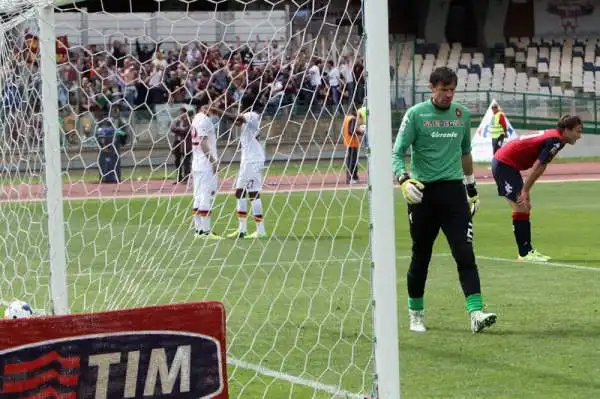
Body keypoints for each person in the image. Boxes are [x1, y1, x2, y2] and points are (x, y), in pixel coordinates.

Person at [392, 66, 497, 334]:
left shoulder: (461, 115)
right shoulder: (416, 115)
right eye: (444, 90)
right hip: (422, 194)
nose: (449, 95)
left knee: (464, 252)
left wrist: (471, 188)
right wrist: (404, 180)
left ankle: (476, 313)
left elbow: (465, 153)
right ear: (432, 88)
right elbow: (397, 152)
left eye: (452, 90)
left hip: (453, 194)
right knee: (421, 255)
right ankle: (416, 313)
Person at [492, 115, 583, 262]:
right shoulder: (555, 140)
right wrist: (525, 190)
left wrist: (526, 190)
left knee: (524, 207)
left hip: (508, 165)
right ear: (567, 130)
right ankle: (524, 253)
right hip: (504, 164)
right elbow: (537, 167)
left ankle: (527, 251)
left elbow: (542, 165)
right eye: (577, 132)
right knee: (521, 207)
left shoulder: (559, 139)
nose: (580, 136)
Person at [213, 95, 268, 239]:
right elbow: (236, 121)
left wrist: (217, 110)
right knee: (239, 192)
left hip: (253, 160)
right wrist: (223, 112)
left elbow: (238, 119)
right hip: (247, 160)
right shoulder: (246, 117)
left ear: (245, 105)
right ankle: (242, 229)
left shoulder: (253, 115)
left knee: (253, 193)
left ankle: (260, 230)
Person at [190, 100, 222, 240]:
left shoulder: (196, 118)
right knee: (205, 195)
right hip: (204, 164)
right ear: (206, 105)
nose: (215, 107)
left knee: (198, 196)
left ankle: (198, 230)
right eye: (213, 104)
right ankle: (206, 231)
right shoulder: (203, 120)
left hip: (197, 162)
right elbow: (202, 142)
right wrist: (213, 161)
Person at [342, 107, 365, 184]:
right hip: (352, 142)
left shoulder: (347, 118)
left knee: (350, 160)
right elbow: (351, 131)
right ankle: (351, 178)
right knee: (352, 161)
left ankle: (354, 177)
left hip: (348, 142)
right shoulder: (352, 119)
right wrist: (361, 132)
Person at [171, 106, 192, 184]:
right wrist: (181, 129)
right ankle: (179, 178)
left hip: (186, 144)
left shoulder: (189, 121)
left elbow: (187, 130)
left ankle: (186, 178)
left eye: (182, 113)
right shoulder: (177, 121)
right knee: (177, 161)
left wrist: (179, 130)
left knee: (186, 161)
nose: (180, 114)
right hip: (177, 142)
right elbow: (172, 128)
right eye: (180, 113)